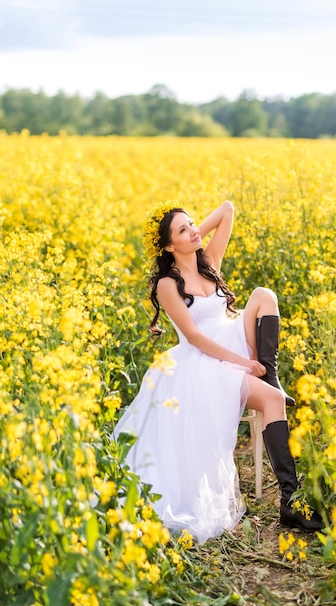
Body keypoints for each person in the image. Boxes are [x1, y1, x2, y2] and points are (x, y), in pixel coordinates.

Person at [114, 200, 323, 544]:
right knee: (273, 401)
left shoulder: (207, 262)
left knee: (263, 295)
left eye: (194, 224)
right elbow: (194, 337)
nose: (194, 230)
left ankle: (268, 376)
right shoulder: (168, 283)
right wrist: (242, 363)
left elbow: (227, 209)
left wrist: (191, 230)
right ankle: (291, 499)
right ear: (168, 246)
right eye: (183, 230)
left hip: (232, 344)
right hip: (202, 362)